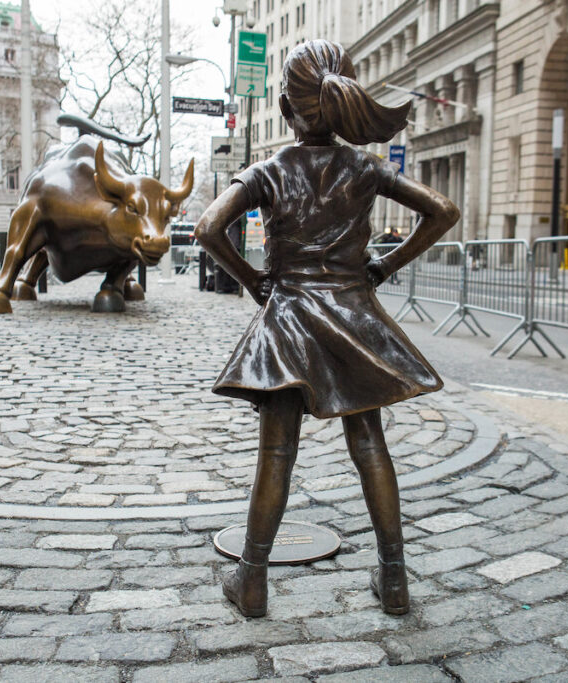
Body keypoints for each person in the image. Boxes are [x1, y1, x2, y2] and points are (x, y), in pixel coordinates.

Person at [195, 40, 460, 618]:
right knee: (370, 444)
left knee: (277, 453)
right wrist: (384, 266)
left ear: (289, 111)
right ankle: (394, 582)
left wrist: (255, 282)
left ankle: (254, 582)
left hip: (288, 318)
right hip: (353, 316)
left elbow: (209, 228)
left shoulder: (269, 171)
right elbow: (442, 210)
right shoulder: (364, 167)